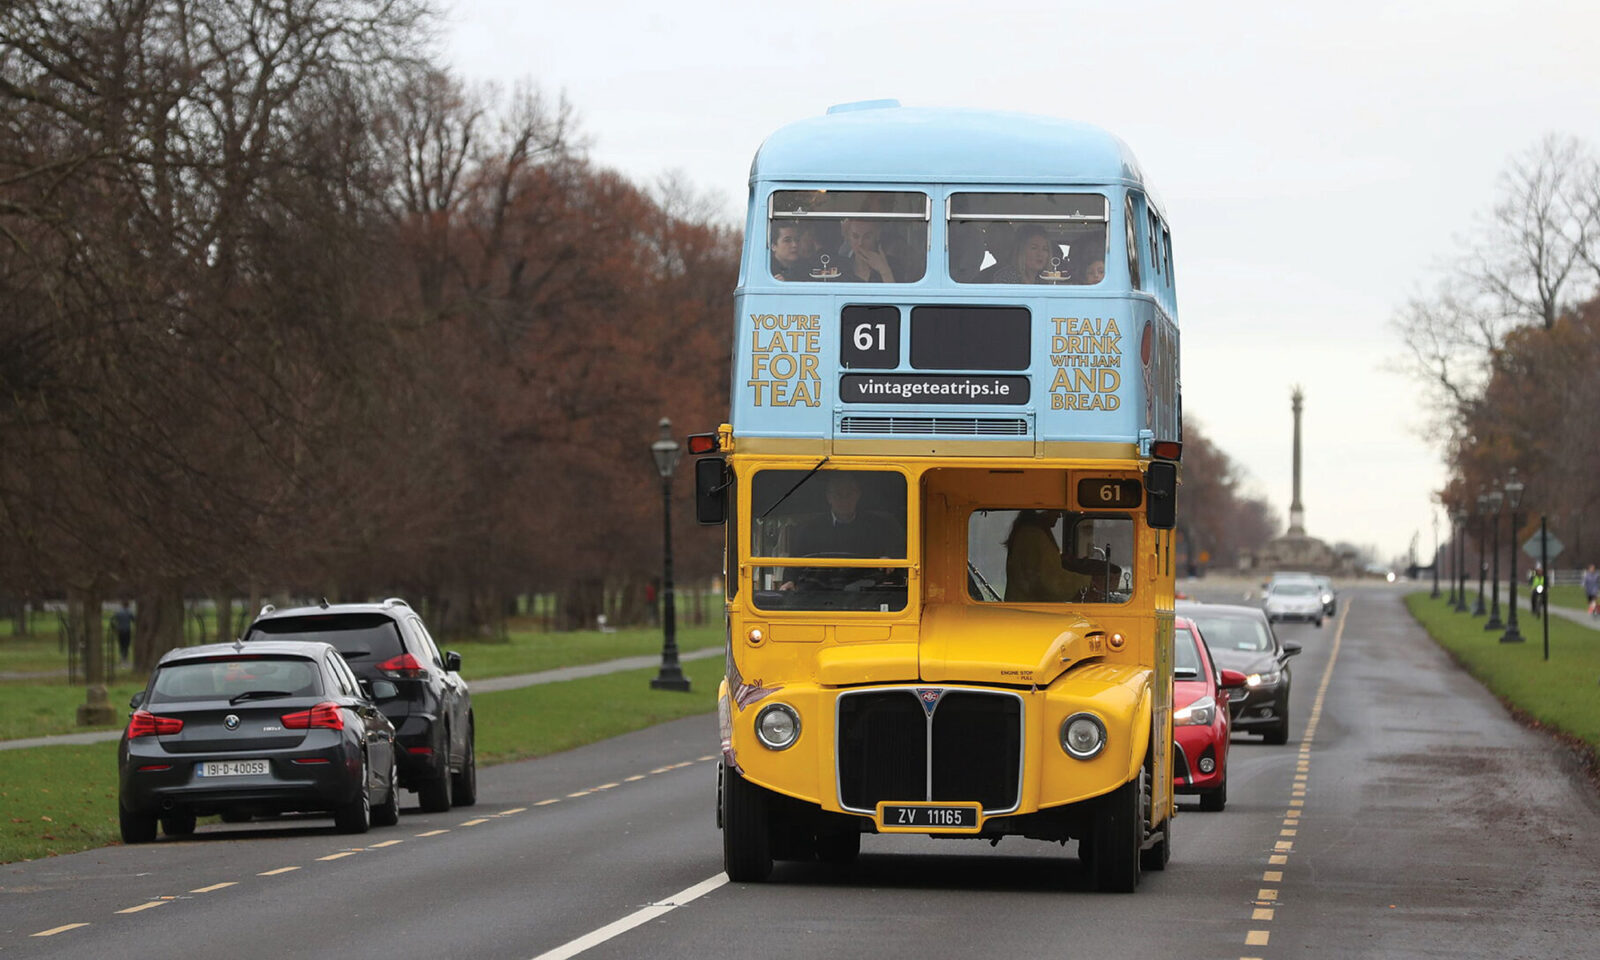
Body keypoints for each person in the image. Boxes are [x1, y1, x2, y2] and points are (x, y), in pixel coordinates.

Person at [782, 474, 903, 589]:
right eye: (838, 494)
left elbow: (894, 551)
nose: (844, 499)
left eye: (849, 494)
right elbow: (794, 562)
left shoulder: (877, 526)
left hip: (864, 594)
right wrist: (789, 581)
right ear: (829, 497)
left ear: (858, 495)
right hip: (817, 592)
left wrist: (888, 558)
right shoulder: (809, 529)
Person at [1003, 510, 1092, 602]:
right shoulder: (1033, 536)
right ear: (1042, 511)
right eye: (1055, 510)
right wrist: (1088, 581)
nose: (1058, 515)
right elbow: (1052, 583)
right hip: (1031, 612)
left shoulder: (1031, 534)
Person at [839, 219, 905, 283]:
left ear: (877, 236)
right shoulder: (841, 267)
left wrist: (884, 271)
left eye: (867, 237)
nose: (860, 243)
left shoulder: (894, 265)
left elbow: (898, 293)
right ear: (849, 238)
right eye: (855, 236)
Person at [111, 600, 134, 666]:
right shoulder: (129, 613)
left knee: (121, 644)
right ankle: (125, 657)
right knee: (126, 644)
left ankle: (122, 656)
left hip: (120, 630)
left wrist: (115, 627)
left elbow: (112, 620)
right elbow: (134, 620)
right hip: (127, 630)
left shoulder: (118, 613)